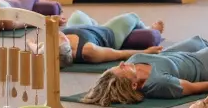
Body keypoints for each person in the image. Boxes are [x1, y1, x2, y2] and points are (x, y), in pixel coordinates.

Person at [81, 37, 208, 105]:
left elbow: (157, 56)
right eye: (122, 68)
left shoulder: (133, 62)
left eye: (120, 65)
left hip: (173, 55)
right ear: (133, 84)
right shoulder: (159, 84)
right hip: (198, 66)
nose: (123, 64)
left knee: (199, 40)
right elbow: (191, 88)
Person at [31, 11, 164, 68]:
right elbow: (119, 54)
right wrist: (146, 52)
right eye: (60, 38)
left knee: (77, 14)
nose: (59, 34)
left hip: (82, 27)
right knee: (132, 17)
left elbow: (35, 47)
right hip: (107, 32)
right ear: (66, 44)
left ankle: (93, 23)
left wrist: (31, 44)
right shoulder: (89, 51)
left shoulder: (54, 47)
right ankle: (149, 29)